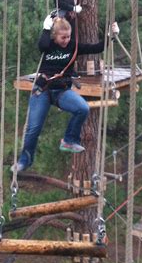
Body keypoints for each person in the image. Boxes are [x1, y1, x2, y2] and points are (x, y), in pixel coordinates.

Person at [12, 15, 119, 172]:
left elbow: (97, 48)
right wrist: (46, 28)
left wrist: (111, 36)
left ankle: (69, 140)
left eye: (68, 36)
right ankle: (25, 161)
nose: (66, 40)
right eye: (63, 37)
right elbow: (41, 44)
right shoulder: (48, 45)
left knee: (82, 108)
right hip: (42, 90)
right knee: (34, 128)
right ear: (54, 36)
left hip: (61, 91)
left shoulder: (73, 47)